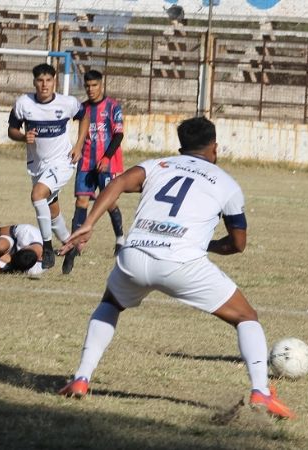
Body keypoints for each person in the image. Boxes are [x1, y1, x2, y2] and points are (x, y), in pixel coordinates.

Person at [57, 117, 295, 419]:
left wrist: (89, 223)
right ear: (215, 148)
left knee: (111, 303)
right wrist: (202, 245)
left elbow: (117, 182)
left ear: (181, 147)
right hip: (181, 263)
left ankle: (81, 378)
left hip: (135, 256)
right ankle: (261, 392)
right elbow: (238, 244)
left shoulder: (158, 165)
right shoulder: (226, 183)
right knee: (246, 316)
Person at [8, 63, 83, 269]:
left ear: (54, 81)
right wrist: (23, 137)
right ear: (34, 82)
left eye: (48, 80)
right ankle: (71, 244)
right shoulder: (24, 103)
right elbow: (11, 129)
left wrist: (79, 144)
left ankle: (47, 246)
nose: (44, 85)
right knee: (52, 210)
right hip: (38, 165)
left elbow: (84, 116)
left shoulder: (67, 102)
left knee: (37, 195)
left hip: (63, 161)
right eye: (40, 81)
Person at [62, 69, 126, 275]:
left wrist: (107, 157)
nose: (90, 89)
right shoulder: (83, 109)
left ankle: (120, 239)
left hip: (106, 163)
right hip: (86, 162)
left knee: (108, 203)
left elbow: (118, 135)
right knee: (81, 201)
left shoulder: (112, 107)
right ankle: (74, 245)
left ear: (101, 85)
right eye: (87, 86)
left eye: (94, 85)